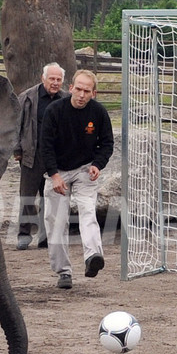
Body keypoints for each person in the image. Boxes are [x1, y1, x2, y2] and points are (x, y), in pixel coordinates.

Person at [38, 69, 114, 289]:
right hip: (57, 170)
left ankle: (93, 257)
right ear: (70, 88)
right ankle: (63, 272)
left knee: (88, 211)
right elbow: (46, 145)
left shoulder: (99, 113)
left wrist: (97, 165)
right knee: (56, 222)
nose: (81, 94)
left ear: (94, 93)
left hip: (84, 169)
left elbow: (107, 143)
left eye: (86, 91)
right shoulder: (55, 111)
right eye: (78, 89)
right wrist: (54, 175)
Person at [13, 63, 71, 250]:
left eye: (58, 79)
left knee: (51, 197)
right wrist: (17, 149)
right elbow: (16, 125)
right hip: (32, 153)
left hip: (55, 156)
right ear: (43, 78)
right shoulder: (27, 97)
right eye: (51, 79)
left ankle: (46, 236)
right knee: (27, 196)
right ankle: (24, 234)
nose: (55, 83)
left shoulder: (66, 99)